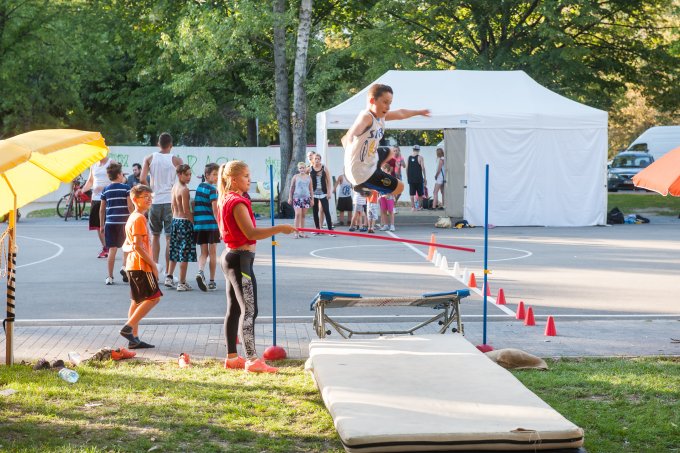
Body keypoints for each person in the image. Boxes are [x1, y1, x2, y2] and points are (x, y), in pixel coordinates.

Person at [216, 160, 296, 373]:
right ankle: (252, 359)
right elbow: (251, 233)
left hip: (233, 257)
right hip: (240, 259)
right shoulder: (237, 202)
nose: (249, 180)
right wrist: (280, 228)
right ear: (233, 179)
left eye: (249, 176)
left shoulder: (227, 198)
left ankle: (232, 357)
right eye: (245, 176)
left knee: (234, 309)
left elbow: (246, 231)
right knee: (249, 309)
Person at [341, 84, 429, 196]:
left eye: (390, 103)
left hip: (369, 160)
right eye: (385, 102)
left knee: (391, 151)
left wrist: (419, 112)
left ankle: (375, 174)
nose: (388, 107)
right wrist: (350, 152)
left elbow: (400, 113)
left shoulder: (381, 116)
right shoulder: (366, 117)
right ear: (372, 100)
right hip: (361, 172)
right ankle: (363, 185)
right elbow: (349, 135)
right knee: (399, 188)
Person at [119, 184, 162, 350]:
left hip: (133, 265)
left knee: (136, 302)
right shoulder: (139, 219)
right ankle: (128, 328)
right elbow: (136, 246)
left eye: (150, 196)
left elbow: (126, 245)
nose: (149, 199)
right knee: (154, 297)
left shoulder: (133, 217)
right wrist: (153, 264)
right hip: (141, 266)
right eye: (145, 196)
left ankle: (134, 339)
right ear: (135, 199)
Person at [140, 132, 183, 287]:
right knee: (170, 238)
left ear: (158, 144)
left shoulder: (149, 158)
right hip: (170, 201)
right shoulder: (176, 160)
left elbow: (142, 178)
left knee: (155, 237)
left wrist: (150, 191)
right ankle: (168, 274)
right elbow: (182, 180)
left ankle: (154, 270)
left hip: (155, 201)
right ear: (171, 145)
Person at [99, 162, 134, 285]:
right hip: (124, 223)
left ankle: (110, 277)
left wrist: (101, 225)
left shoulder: (106, 190)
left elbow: (102, 209)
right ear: (119, 175)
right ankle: (124, 267)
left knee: (112, 250)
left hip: (110, 223)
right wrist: (134, 217)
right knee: (127, 248)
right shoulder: (126, 188)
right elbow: (130, 206)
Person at [78, 156, 116, 258]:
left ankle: (111, 246)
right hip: (96, 198)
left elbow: (117, 179)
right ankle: (105, 248)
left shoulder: (111, 162)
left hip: (108, 197)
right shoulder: (93, 164)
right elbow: (90, 181)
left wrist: (103, 187)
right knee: (98, 225)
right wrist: (82, 190)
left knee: (109, 224)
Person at [168, 164, 196, 292]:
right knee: (184, 253)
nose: (189, 177)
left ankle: (169, 277)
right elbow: (186, 210)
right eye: (187, 174)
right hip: (184, 222)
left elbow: (173, 207)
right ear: (179, 175)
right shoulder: (184, 189)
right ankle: (182, 282)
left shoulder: (174, 187)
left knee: (174, 250)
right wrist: (193, 222)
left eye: (190, 174)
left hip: (175, 220)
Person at [194, 163, 221, 291]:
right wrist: (220, 226)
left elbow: (194, 204)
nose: (216, 177)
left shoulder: (199, 187)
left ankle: (200, 271)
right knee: (213, 253)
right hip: (211, 225)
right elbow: (215, 210)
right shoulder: (213, 190)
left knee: (203, 253)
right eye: (214, 174)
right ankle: (211, 280)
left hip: (199, 225)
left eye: (217, 174)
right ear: (207, 175)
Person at [310, 153, 335, 236]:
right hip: (314, 194)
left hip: (323, 193)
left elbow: (328, 180)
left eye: (318, 159)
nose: (317, 160)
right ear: (313, 160)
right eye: (315, 159)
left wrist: (329, 192)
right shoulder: (310, 169)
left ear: (320, 160)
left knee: (326, 211)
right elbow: (307, 181)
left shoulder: (324, 168)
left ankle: (330, 230)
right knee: (315, 211)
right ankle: (317, 229)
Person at [288, 162, 313, 239]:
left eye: (303, 168)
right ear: (298, 169)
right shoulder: (295, 177)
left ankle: (302, 232)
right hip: (297, 198)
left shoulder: (309, 177)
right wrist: (290, 197)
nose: (302, 169)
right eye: (300, 168)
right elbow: (291, 188)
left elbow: (311, 189)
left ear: (306, 168)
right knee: (298, 214)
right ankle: (296, 232)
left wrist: (312, 199)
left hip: (306, 198)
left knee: (303, 215)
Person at [406, 145, 426, 210]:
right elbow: (423, 168)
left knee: (411, 193)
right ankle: (420, 207)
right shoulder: (420, 157)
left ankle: (413, 207)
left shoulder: (409, 157)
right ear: (419, 150)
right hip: (419, 178)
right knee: (420, 193)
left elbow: (406, 168)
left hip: (411, 178)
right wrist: (425, 177)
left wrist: (407, 177)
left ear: (413, 150)